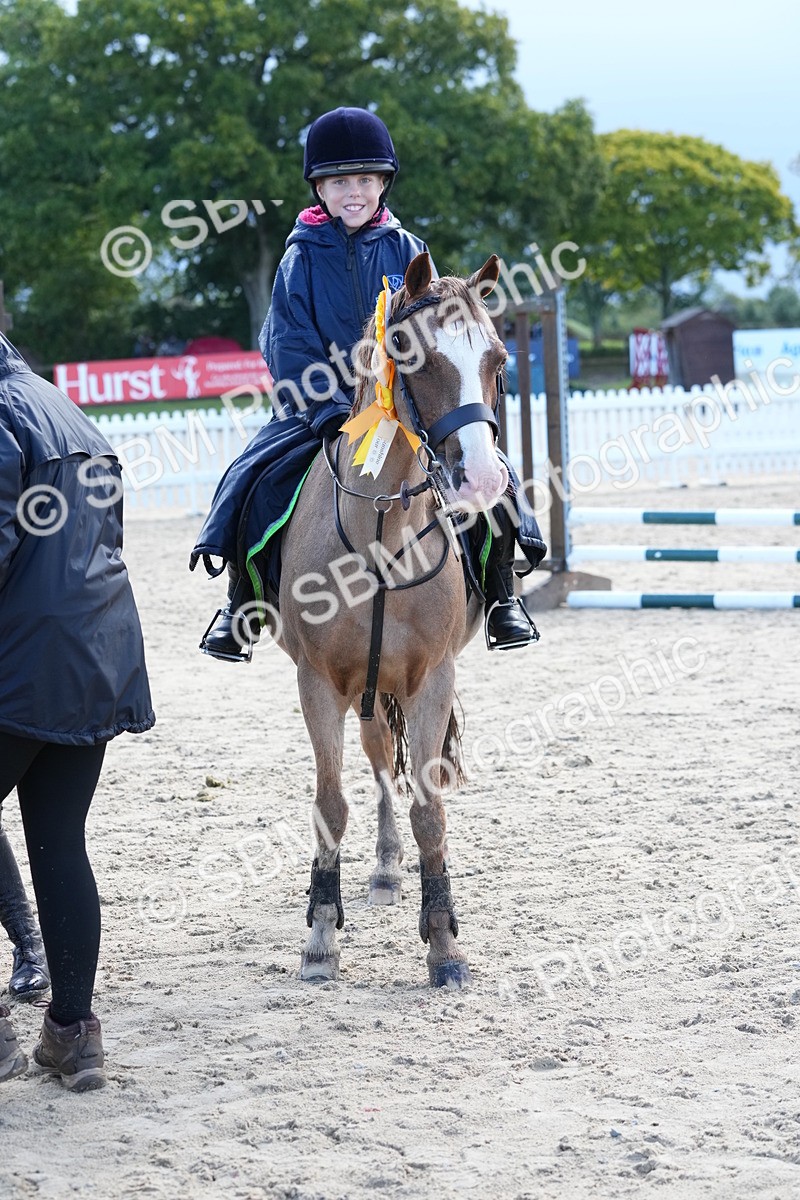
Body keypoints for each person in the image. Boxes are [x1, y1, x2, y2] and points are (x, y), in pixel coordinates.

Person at [191, 106, 544, 660]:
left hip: (404, 407)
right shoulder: (299, 257)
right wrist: (328, 410)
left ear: (383, 183)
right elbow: (287, 343)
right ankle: (242, 605)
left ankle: (502, 595)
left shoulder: (408, 249)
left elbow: (437, 332)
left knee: (491, 478)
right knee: (252, 482)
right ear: (320, 188)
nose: (352, 192)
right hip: (319, 409)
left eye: (363, 180)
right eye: (338, 182)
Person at [0, 333, 154, 1090]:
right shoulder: (64, 407)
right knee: (60, 842)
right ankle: (73, 1034)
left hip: (21, 663)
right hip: (96, 651)